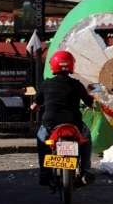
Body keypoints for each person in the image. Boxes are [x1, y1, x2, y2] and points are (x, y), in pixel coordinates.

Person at [31, 50, 95, 187]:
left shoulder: (46, 84)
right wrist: (94, 100)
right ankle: (85, 171)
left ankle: (44, 173)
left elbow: (35, 104)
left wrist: (34, 107)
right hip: (74, 123)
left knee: (41, 140)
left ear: (53, 66)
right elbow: (90, 103)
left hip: (50, 124)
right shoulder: (77, 84)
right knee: (87, 138)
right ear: (71, 65)